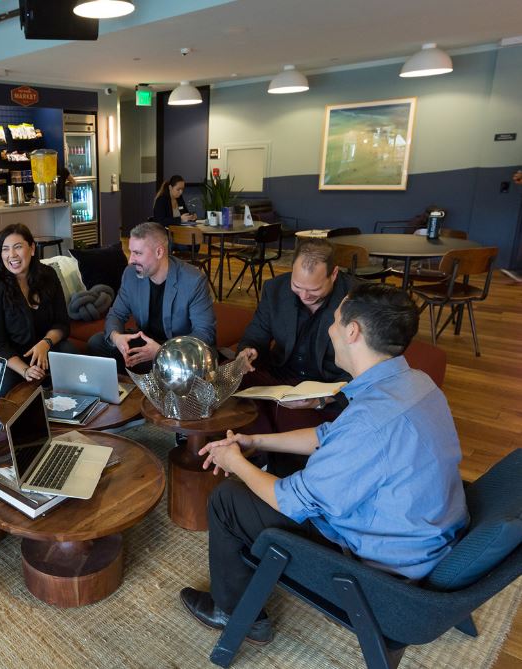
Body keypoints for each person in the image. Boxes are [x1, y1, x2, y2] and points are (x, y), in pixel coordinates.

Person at [180, 282, 468, 645]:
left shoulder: (370, 424)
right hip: (426, 533)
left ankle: (232, 612)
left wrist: (234, 461)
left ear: (352, 331)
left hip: (386, 576)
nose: (330, 330)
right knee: (279, 463)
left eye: (334, 321)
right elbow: (329, 435)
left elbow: (291, 501)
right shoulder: (415, 383)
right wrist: (254, 441)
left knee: (226, 499)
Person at [234, 239, 356, 475]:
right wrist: (249, 351)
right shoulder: (276, 289)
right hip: (281, 376)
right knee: (231, 371)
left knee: (341, 418)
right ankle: (266, 455)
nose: (304, 295)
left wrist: (324, 399)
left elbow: (370, 369)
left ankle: (270, 456)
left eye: (314, 290)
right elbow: (255, 334)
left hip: (327, 387)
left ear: (334, 274)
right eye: (297, 286)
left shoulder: (355, 298)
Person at [87, 221, 216, 373]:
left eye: (138, 253)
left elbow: (204, 333)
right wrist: (117, 338)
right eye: (131, 252)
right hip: (147, 345)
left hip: (179, 352)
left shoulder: (193, 280)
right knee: (96, 343)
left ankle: (150, 375)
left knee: (192, 366)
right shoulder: (131, 274)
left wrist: (164, 352)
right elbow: (116, 314)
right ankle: (141, 380)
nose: (131, 260)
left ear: (159, 252)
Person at [0, 223, 79, 394]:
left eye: (18, 247)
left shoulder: (48, 275)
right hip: (5, 356)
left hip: (39, 349)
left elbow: (62, 323)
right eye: (5, 249)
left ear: (32, 248)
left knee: (70, 352)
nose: (11, 255)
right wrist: (25, 370)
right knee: (9, 386)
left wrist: (46, 343)